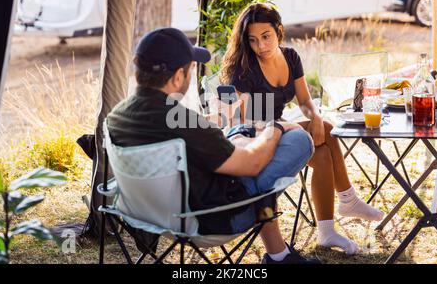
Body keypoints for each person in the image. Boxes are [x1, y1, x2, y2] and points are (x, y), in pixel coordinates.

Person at [106, 27, 321, 264]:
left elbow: (183, 133)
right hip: (211, 219)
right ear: (178, 76)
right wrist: (275, 127)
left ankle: (279, 254)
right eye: (190, 68)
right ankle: (279, 257)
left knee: (243, 137)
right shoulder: (182, 123)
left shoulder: (117, 117)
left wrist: (218, 125)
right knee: (298, 140)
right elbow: (252, 164)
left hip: (150, 215)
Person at [220, 3, 385, 255]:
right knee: (326, 135)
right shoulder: (244, 69)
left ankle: (328, 230)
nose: (261, 46)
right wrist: (290, 126)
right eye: (253, 40)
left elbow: (305, 101)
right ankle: (348, 201)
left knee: (322, 143)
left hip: (281, 130)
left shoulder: (291, 57)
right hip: (256, 141)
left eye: (266, 37)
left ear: (279, 30)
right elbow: (246, 123)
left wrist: (315, 117)